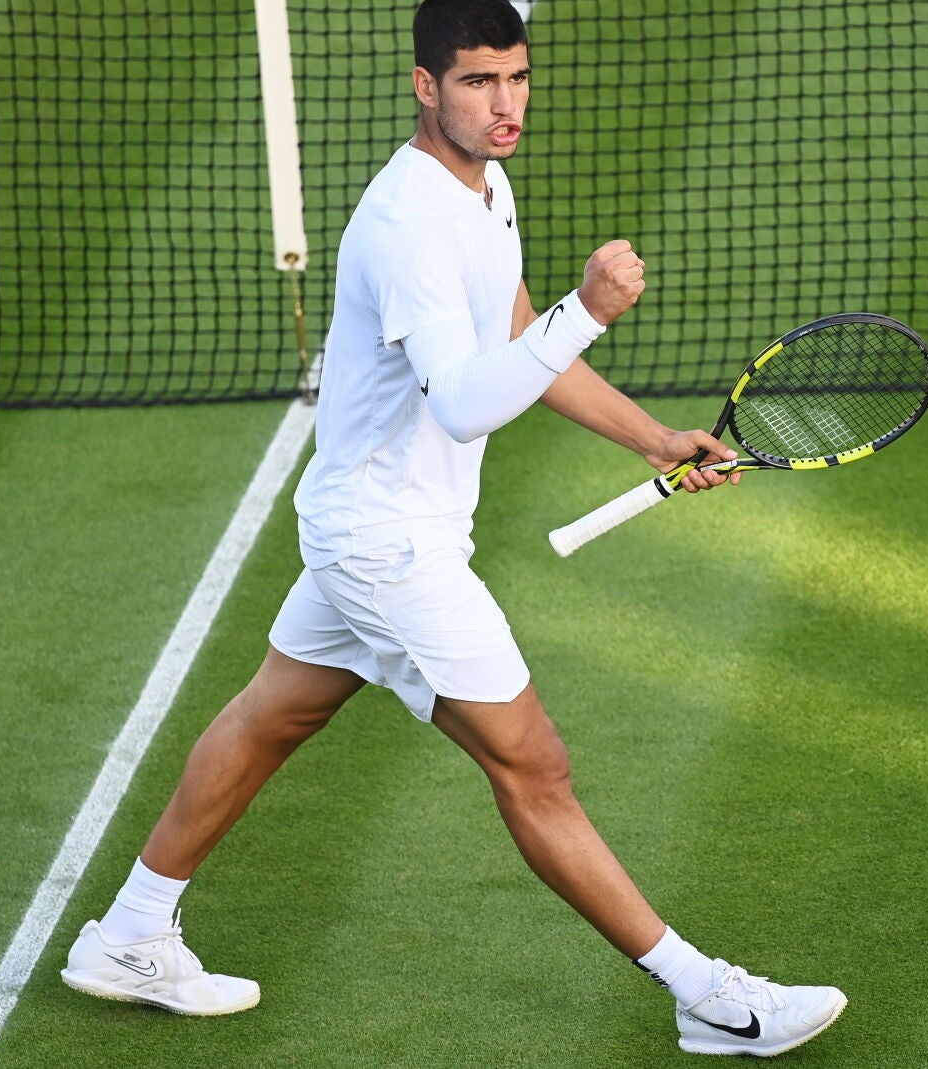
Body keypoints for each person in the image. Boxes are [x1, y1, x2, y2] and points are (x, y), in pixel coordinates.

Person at [60, 0, 845, 1056]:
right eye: (479, 82)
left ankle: (130, 933)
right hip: (388, 547)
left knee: (270, 717)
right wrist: (593, 306)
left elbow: (515, 336)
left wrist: (649, 436)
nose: (505, 103)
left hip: (369, 529)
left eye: (516, 78)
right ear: (425, 86)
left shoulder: (486, 183)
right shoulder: (407, 222)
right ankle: (711, 998)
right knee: (535, 766)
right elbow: (467, 400)